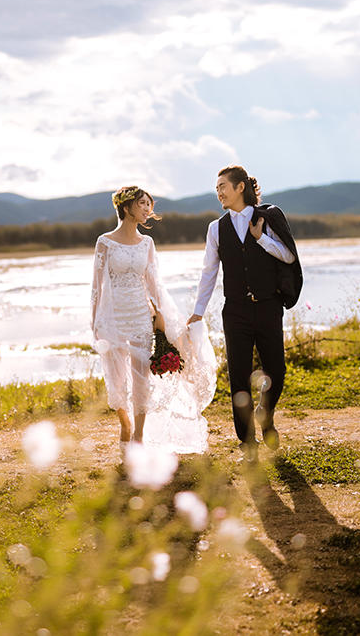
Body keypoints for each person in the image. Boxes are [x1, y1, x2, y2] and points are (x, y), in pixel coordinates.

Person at [91, 186, 216, 456]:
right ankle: (124, 422)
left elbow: (154, 282)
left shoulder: (147, 243)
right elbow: (97, 287)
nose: (148, 209)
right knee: (116, 376)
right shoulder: (105, 242)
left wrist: (162, 314)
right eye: (143, 204)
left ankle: (138, 436)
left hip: (139, 314)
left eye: (149, 204)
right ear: (127, 208)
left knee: (141, 377)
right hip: (112, 317)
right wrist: (95, 322)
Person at [188, 166, 301, 459]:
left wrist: (261, 238)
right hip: (235, 311)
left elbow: (289, 256)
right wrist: (198, 311)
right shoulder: (216, 228)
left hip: (268, 307)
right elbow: (209, 272)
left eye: (223, 186)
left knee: (276, 370)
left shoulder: (268, 218)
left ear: (240, 187)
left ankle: (266, 412)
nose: (219, 193)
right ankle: (247, 442)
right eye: (216, 189)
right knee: (238, 377)